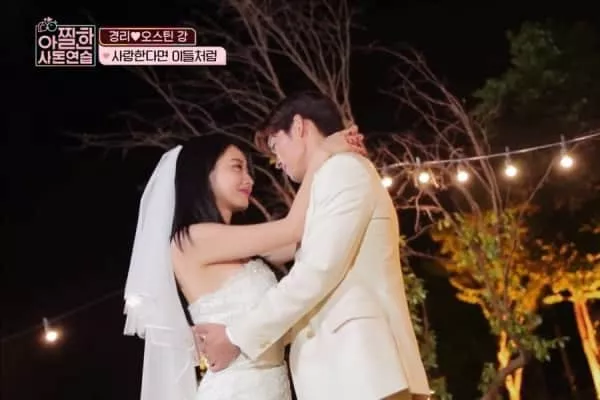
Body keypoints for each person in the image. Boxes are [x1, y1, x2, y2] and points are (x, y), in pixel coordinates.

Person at [193, 91, 432, 400]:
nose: (277, 161)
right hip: (345, 374)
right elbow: (286, 245)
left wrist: (236, 336)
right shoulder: (331, 175)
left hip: (360, 369)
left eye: (275, 145)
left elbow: (317, 271)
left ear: (298, 126)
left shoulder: (342, 170)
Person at [122, 128, 364, 400]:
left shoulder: (239, 248)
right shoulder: (192, 239)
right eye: (237, 167)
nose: (249, 179)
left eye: (248, 170)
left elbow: (307, 240)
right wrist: (320, 154)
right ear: (203, 173)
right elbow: (292, 228)